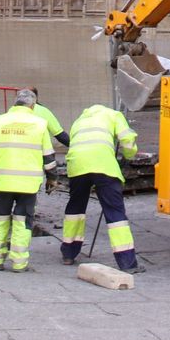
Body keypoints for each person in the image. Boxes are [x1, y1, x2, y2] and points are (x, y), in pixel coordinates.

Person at [59, 103, 141, 273]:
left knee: (75, 209)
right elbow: (127, 140)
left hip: (77, 165)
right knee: (115, 212)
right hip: (103, 165)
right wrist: (129, 155)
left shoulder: (78, 121)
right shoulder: (114, 115)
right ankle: (127, 262)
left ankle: (68, 253)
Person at [0, 89, 56, 272]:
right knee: (22, 221)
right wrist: (52, 179)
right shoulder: (39, 124)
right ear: (32, 105)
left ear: (15, 103)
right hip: (28, 184)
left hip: (4, 181)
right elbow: (48, 156)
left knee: (0, 219)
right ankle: (19, 263)